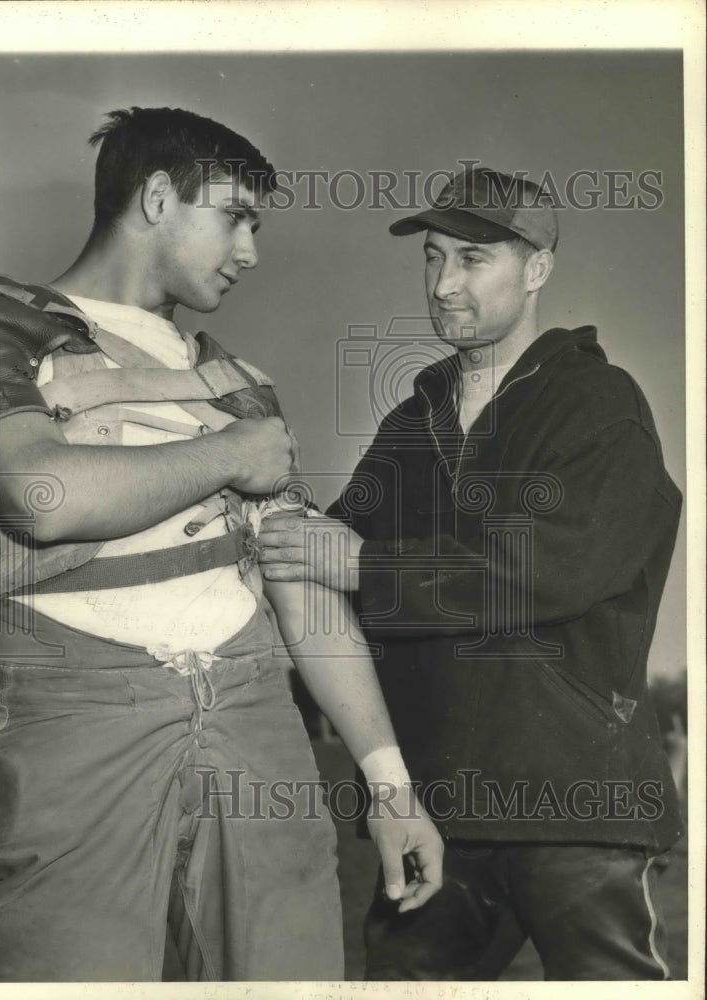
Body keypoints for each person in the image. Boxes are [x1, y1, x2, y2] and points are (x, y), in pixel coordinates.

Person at [0, 106, 443, 982]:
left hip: (255, 709)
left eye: (257, 226)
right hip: (74, 717)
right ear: (159, 198)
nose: (250, 250)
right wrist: (230, 456)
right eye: (235, 217)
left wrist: (390, 785)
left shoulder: (239, 384)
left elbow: (304, 593)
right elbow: (40, 496)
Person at [259, 165, 684, 980]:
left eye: (472, 259)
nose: (443, 283)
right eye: (432, 258)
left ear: (537, 268)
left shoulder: (599, 402)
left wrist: (366, 564)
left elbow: (557, 569)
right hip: (438, 801)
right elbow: (323, 564)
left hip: (575, 797)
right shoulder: (410, 424)